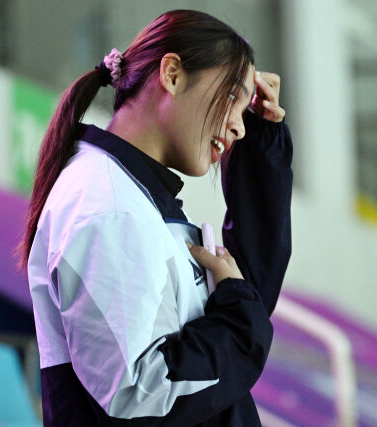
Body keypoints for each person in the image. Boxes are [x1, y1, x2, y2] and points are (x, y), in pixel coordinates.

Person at [17, 9, 292, 426]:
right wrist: (240, 330)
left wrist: (262, 147)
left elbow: (246, 306)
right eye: (231, 98)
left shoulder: (136, 198)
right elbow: (140, 396)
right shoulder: (109, 207)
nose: (238, 128)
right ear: (173, 75)